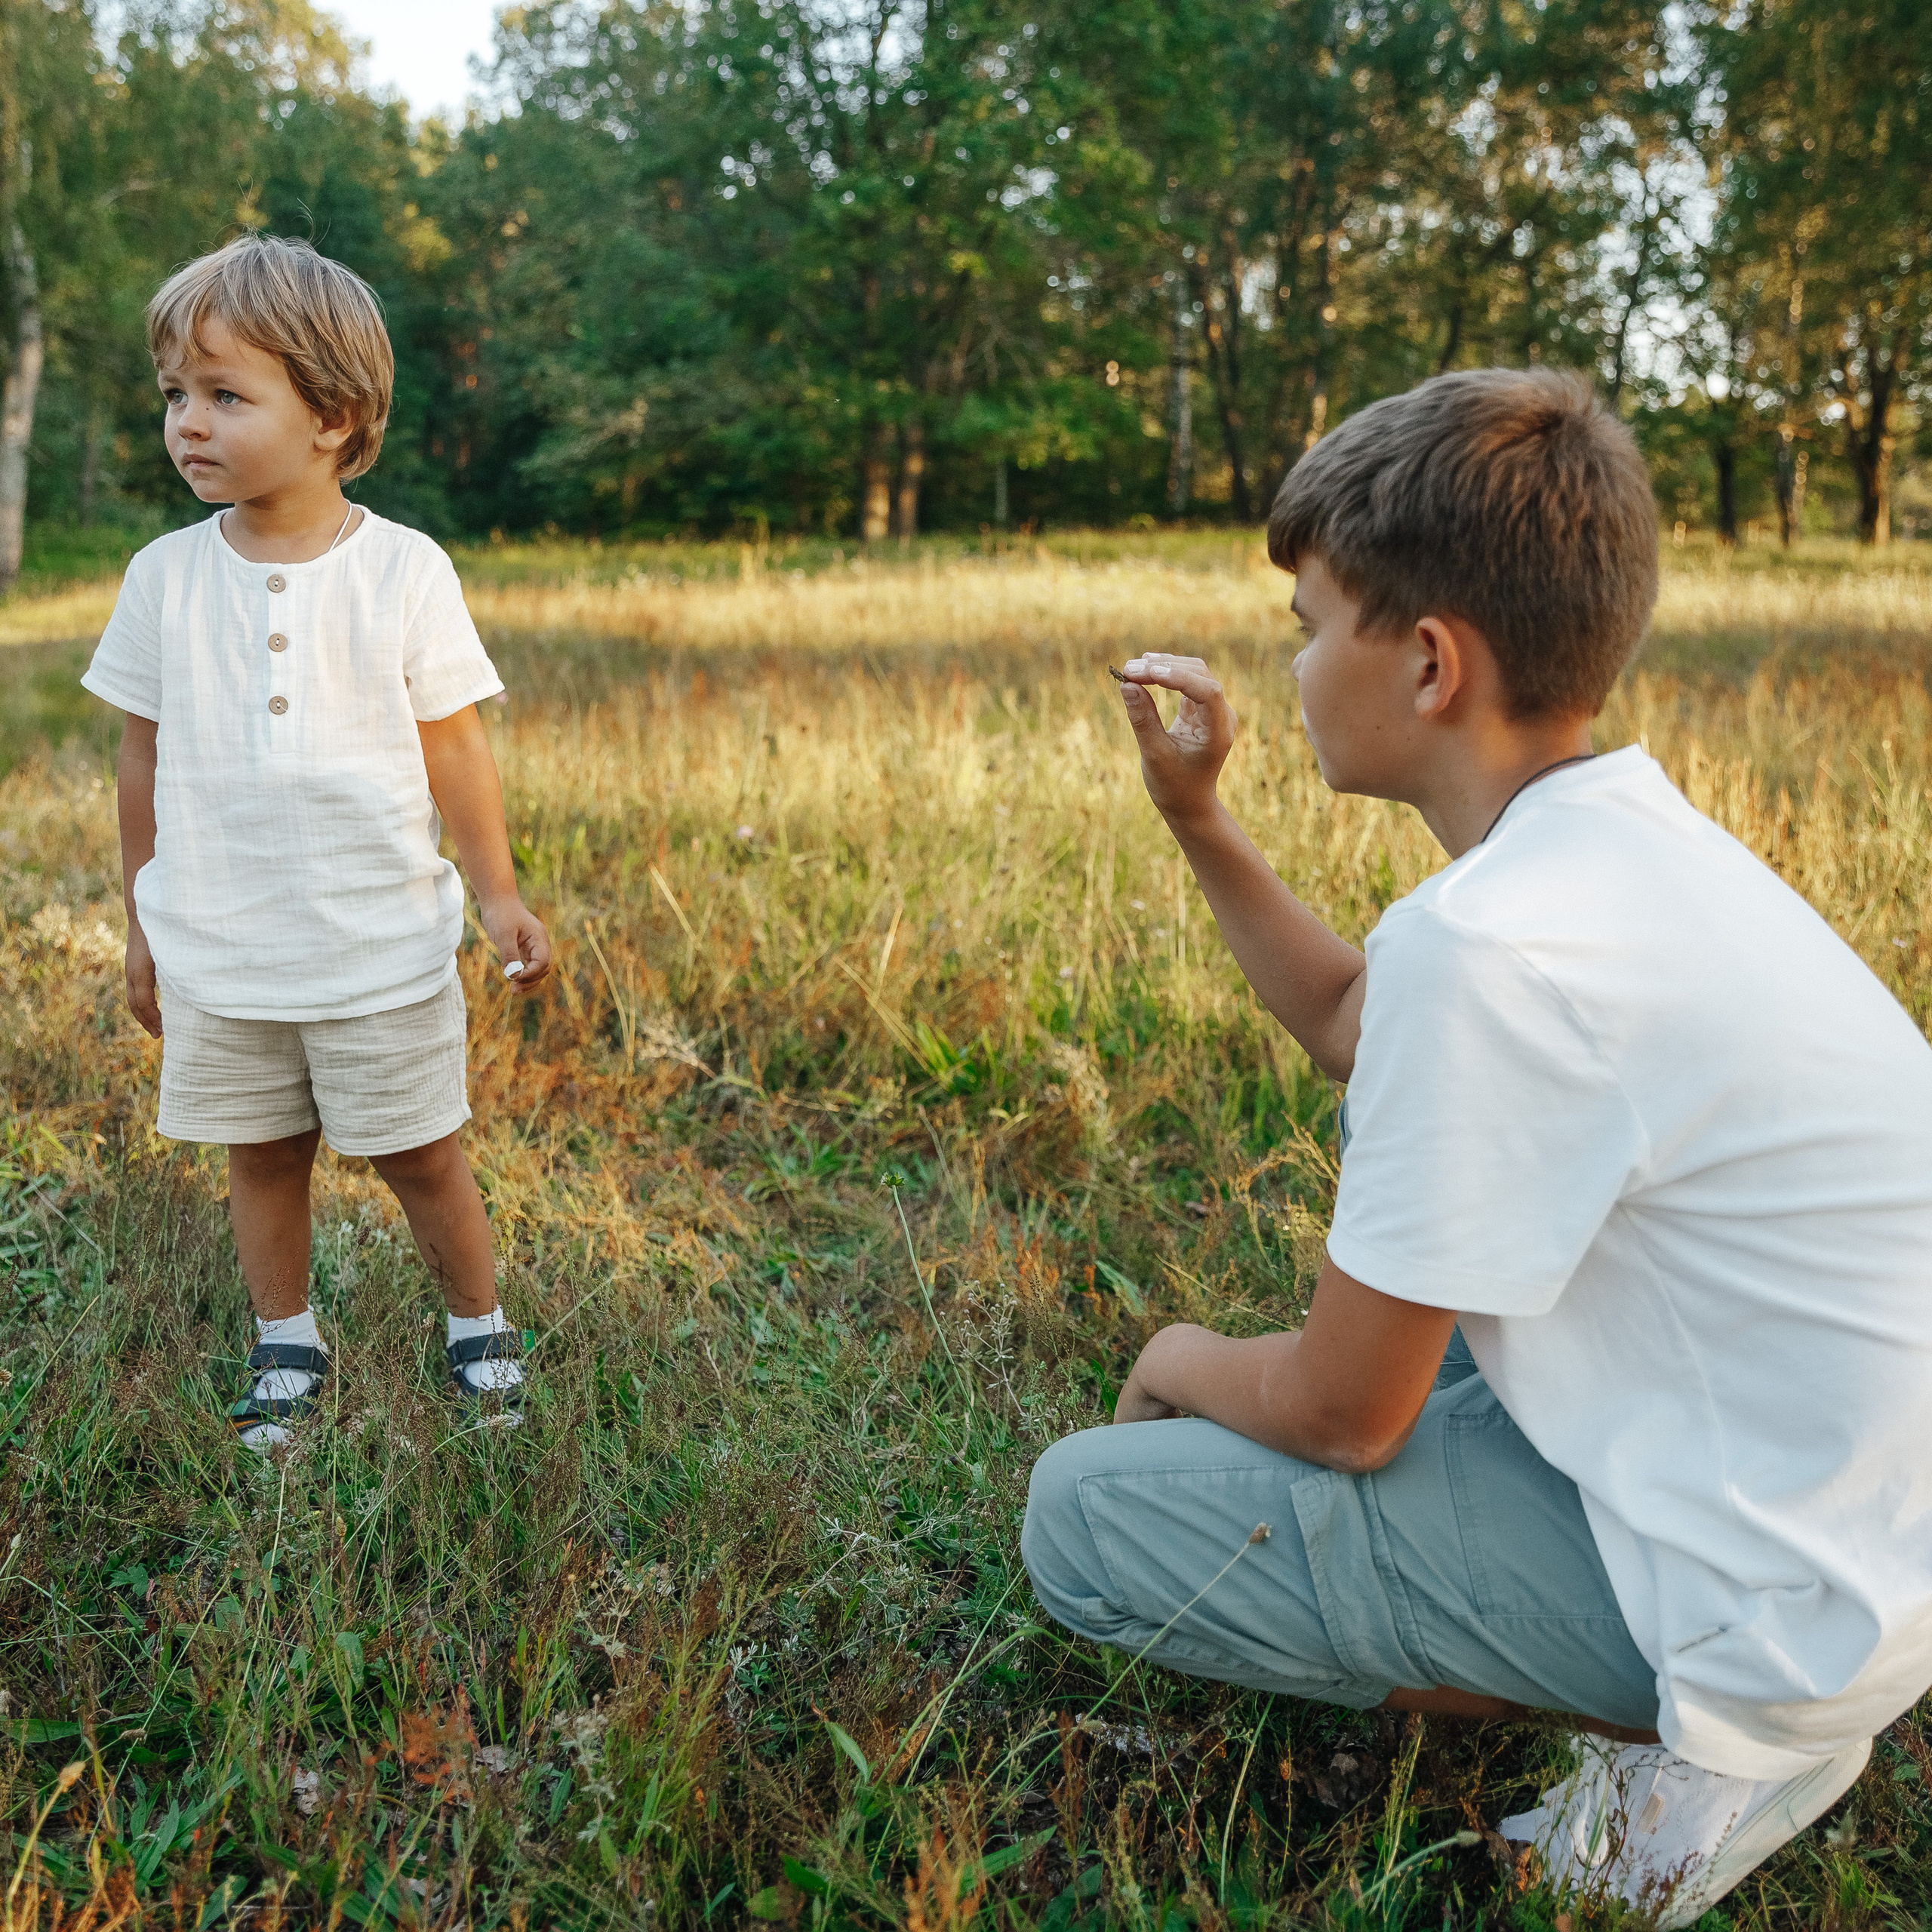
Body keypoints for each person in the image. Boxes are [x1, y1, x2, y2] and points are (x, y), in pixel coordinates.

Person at [1021, 368, 1932, 1924]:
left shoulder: (1496, 942)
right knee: (1441, 1317)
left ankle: (1690, 1747)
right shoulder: (1617, 842)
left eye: (1309, 622)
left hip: (1778, 1596)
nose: (1296, 662)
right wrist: (1197, 818)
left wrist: (1180, 1349)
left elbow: (1338, 1414)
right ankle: (1729, 1697)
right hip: (1856, 1517)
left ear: (1428, 660)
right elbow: (1356, 1025)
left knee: (1086, 1511)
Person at [84, 234, 551, 1447]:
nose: (188, 423)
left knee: (424, 1154)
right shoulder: (163, 578)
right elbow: (140, 757)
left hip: (376, 943)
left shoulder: (403, 570)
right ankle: (286, 1338)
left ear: (334, 416)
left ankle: (476, 1326)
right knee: (264, 1153)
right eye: (175, 395)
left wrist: (496, 895)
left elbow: (454, 744)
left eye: (226, 395)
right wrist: (141, 925)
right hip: (224, 948)